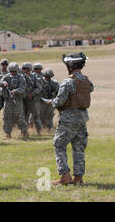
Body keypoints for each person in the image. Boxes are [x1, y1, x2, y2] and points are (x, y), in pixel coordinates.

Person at [43, 53, 93, 186]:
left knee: (59, 144)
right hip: (82, 118)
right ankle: (78, 178)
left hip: (69, 118)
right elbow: (90, 89)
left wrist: (51, 102)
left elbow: (60, 101)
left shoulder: (68, 81)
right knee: (78, 147)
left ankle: (65, 176)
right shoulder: (87, 80)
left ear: (71, 65)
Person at [0, 62, 28, 140]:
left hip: (17, 100)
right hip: (8, 100)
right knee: (7, 117)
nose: (12, 73)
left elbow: (23, 87)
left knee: (19, 117)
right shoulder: (6, 77)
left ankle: (24, 132)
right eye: (11, 71)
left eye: (14, 71)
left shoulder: (21, 77)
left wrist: (15, 91)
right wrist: (3, 83)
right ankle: (8, 134)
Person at [21, 62, 43, 135]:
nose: (23, 70)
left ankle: (39, 131)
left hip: (32, 100)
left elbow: (39, 87)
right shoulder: (21, 77)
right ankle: (24, 131)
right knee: (24, 116)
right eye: (23, 68)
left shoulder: (34, 77)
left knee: (35, 116)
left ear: (29, 69)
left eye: (25, 68)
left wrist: (32, 94)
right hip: (23, 100)